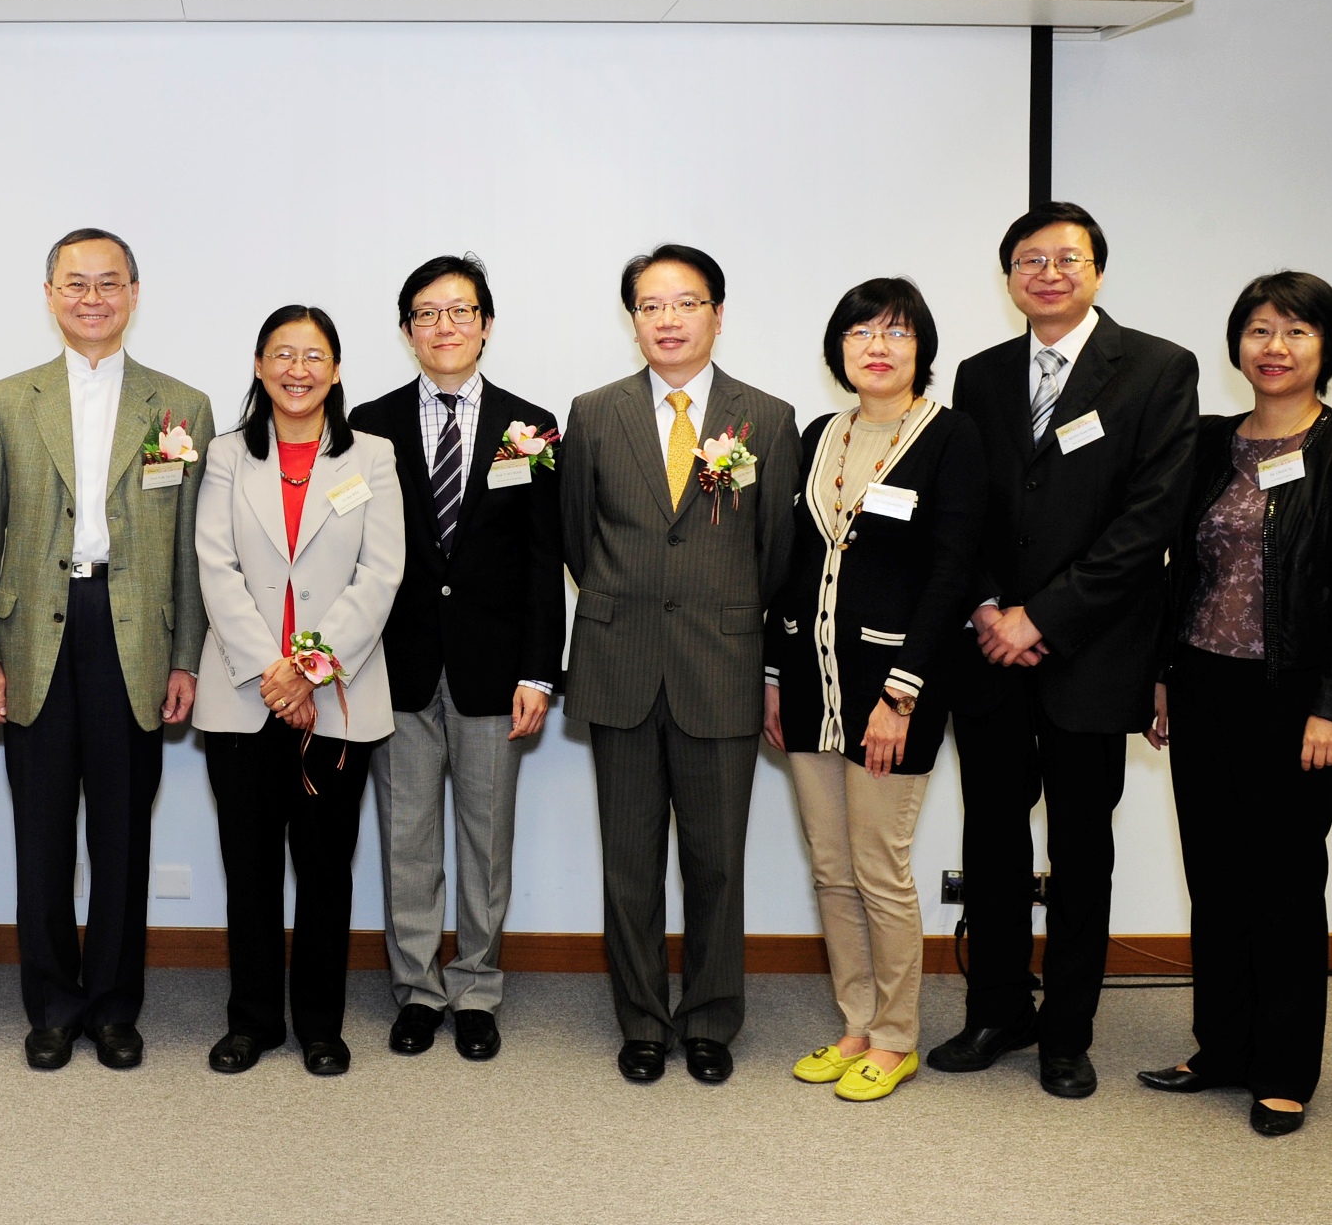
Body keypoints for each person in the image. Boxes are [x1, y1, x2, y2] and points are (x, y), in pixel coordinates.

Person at [934, 201, 1199, 1099]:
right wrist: (983, 609)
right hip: (988, 654)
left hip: (1092, 653)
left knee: (1084, 851)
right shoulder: (980, 374)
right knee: (995, 840)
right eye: (1029, 259)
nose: (1048, 272)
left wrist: (1039, 617)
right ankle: (998, 1010)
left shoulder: (1158, 369)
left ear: (1096, 270)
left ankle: (1067, 1032)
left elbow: (1149, 521)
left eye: (1067, 258)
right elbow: (961, 507)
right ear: (1009, 276)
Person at [1140, 272, 1332, 1137]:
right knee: (1214, 881)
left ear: (1327, 346)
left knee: (1284, 885)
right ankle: (1223, 1050)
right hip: (1205, 683)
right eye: (1258, 330)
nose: (1274, 347)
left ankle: (1284, 1070)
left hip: (1295, 700)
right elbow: (1180, 569)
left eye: (1295, 330)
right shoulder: (1213, 441)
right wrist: (1163, 673)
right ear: (1237, 344)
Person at [0, 228, 212, 1071]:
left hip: (133, 632)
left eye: (110, 283)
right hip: (32, 629)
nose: (93, 298)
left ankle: (113, 1004)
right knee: (41, 831)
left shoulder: (181, 406)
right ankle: (52, 1002)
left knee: (120, 832)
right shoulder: (4, 400)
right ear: (50, 295)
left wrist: (187, 657)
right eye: (76, 284)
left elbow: (187, 549)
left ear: (135, 294)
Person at [560, 243, 799, 1087]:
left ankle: (709, 1017)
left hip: (720, 665)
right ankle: (641, 1020)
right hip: (620, 661)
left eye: (685, 303)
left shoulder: (766, 418)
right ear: (633, 321)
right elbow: (577, 538)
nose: (667, 320)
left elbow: (774, 553)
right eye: (650, 306)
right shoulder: (593, 412)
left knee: (716, 861)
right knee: (628, 863)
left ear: (718, 314)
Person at [763, 278, 985, 1102]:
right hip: (813, 682)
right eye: (860, 332)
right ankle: (855, 1022)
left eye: (895, 331)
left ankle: (895, 1037)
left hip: (893, 692)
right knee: (830, 868)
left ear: (921, 346)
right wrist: (774, 676)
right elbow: (791, 568)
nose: (877, 346)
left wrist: (902, 695)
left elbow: (952, 573)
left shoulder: (952, 438)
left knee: (879, 867)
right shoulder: (822, 433)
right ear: (841, 348)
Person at [347, 256, 561, 1062]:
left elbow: (547, 561)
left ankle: (475, 989)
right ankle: (417, 991)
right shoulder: (367, 423)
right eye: (427, 314)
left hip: (496, 675)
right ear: (407, 332)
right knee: (407, 841)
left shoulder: (529, 424)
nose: (444, 326)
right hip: (393, 669)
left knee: (485, 839)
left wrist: (540, 672)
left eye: (460, 311)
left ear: (486, 324)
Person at [196, 306, 404, 1077]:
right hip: (243, 696)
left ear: (338, 370)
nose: (298, 369)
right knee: (247, 867)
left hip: (338, 700)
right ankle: (251, 1021)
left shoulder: (371, 457)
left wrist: (309, 668)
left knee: (324, 869)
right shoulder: (224, 457)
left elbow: (380, 575)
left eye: (314, 356)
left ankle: (321, 1022)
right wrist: (272, 673)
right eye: (282, 354)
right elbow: (215, 569)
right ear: (258, 366)